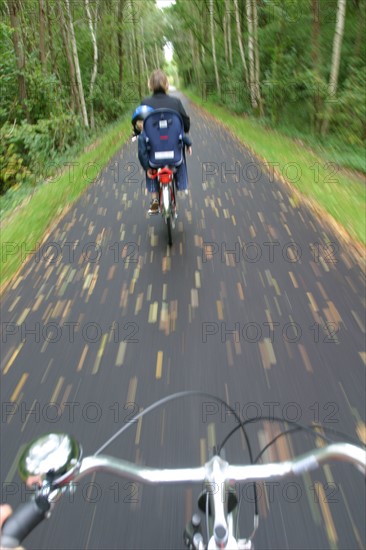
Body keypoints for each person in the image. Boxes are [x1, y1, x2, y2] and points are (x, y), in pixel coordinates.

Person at [133, 69, 192, 214]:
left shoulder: (145, 102)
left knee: (150, 166)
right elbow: (186, 123)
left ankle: (154, 200)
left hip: (154, 151)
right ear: (166, 84)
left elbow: (140, 124)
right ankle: (182, 184)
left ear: (150, 85)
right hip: (172, 151)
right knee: (179, 152)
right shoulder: (176, 102)